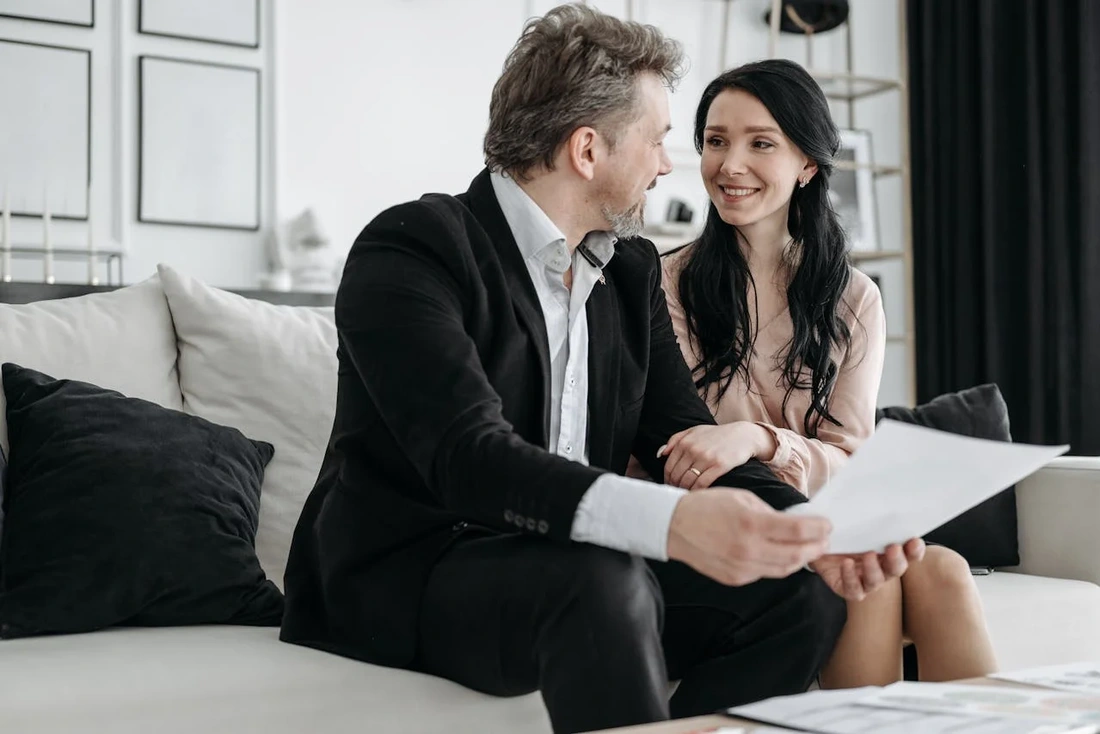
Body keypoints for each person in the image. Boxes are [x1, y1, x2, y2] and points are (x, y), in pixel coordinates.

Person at [279, 7, 924, 732]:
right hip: (412, 571)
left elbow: (681, 435)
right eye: (656, 140)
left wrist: (813, 535)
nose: (667, 165)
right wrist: (674, 522)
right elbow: (469, 458)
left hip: (567, 564)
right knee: (599, 577)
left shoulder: (627, 270)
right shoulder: (413, 249)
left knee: (800, 596)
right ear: (588, 149)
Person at [653, 59, 997, 688]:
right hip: (726, 525)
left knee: (941, 571)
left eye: (761, 143)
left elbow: (850, 455)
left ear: (807, 164)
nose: (729, 164)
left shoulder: (853, 297)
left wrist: (761, 439)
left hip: (826, 515)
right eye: (715, 141)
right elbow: (686, 450)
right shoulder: (663, 285)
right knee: (871, 577)